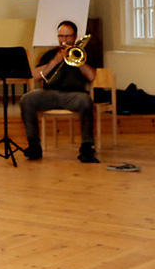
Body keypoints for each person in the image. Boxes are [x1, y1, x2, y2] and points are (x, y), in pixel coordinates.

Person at [19, 20, 99, 163]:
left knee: (86, 101)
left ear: (75, 37)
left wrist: (79, 62)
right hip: (50, 93)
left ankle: (87, 148)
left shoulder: (83, 54)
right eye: (61, 36)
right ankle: (34, 146)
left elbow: (92, 76)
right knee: (27, 99)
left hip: (74, 95)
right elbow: (35, 76)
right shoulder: (50, 54)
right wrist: (55, 61)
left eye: (68, 36)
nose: (64, 40)